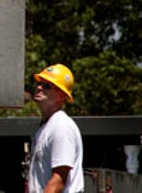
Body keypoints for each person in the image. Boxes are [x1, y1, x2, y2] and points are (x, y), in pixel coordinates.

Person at [28, 63, 83, 193]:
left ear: (62, 95)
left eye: (47, 86)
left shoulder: (61, 126)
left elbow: (58, 180)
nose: (39, 87)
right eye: (39, 83)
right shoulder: (46, 126)